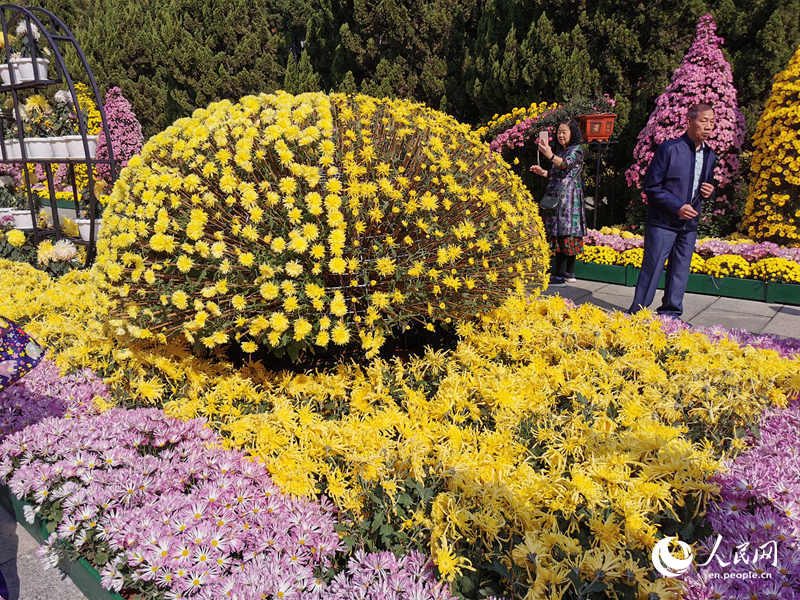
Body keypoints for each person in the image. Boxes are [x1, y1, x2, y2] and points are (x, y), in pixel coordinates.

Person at [629, 103, 717, 317]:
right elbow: (652, 186)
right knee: (653, 268)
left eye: (712, 122)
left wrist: (710, 189)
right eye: (703, 121)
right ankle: (637, 313)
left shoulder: (710, 154)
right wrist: (677, 207)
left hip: (689, 224)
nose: (708, 126)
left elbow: (704, 184)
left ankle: (671, 313)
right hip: (663, 222)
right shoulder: (669, 149)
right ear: (689, 121)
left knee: (680, 270)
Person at [530, 119, 586, 285]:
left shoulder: (576, 150)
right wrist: (544, 173)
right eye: (559, 132)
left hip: (569, 199)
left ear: (572, 133)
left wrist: (550, 155)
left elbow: (565, 165)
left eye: (564, 132)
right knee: (559, 232)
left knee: (567, 231)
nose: (560, 135)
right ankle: (563, 272)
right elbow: (558, 174)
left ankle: (566, 272)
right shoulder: (562, 151)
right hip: (558, 197)